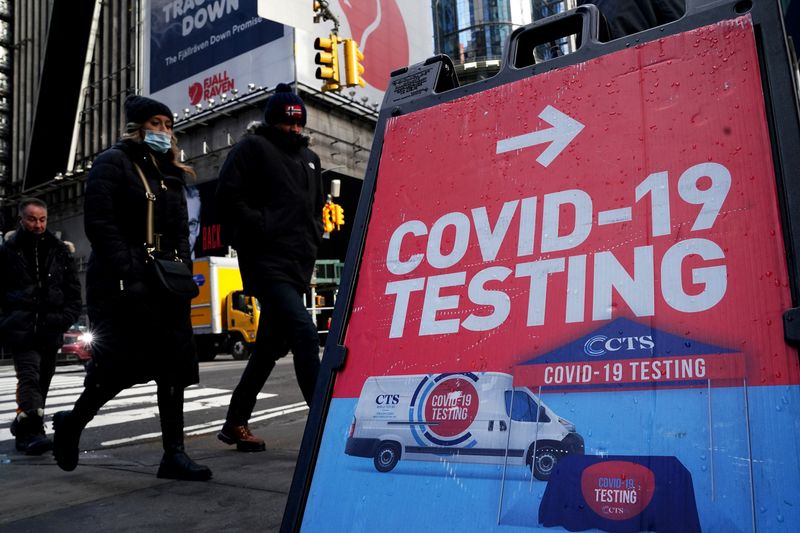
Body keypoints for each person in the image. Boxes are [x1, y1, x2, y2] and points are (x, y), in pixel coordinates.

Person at [52, 95, 212, 481]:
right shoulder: (112, 163)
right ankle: (72, 423)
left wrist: (182, 272)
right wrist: (131, 269)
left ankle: (174, 454)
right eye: (156, 123)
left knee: (173, 367)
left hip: (165, 284)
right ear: (137, 127)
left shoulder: (171, 173)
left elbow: (181, 231)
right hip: (121, 285)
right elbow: (100, 224)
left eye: (168, 125)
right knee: (118, 369)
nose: (164, 132)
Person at [216, 83, 324, 452]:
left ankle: (235, 422)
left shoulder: (311, 158)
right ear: (271, 121)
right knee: (305, 334)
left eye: (298, 123)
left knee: (267, 350)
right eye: (286, 122)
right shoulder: (253, 148)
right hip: (266, 262)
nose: (293, 128)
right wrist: (261, 226)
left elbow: (316, 209)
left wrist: (314, 235)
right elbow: (227, 197)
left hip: (298, 265)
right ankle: (324, 424)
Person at [0, 198, 81, 455]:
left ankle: (24, 425)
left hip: (50, 327)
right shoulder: (7, 251)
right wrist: (6, 321)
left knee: (43, 379)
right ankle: (33, 433)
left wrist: (65, 317)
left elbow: (73, 290)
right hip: (21, 327)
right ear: (21, 219)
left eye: (42, 219)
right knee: (30, 377)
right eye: (32, 219)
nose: (38, 224)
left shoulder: (59, 250)